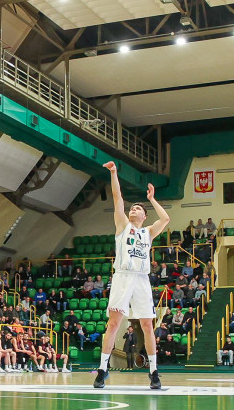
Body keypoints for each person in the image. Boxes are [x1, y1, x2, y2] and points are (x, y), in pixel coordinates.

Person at [93, 161, 170, 391]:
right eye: (132, 208)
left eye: (137, 209)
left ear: (144, 216)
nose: (132, 210)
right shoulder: (123, 226)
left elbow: (165, 219)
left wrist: (153, 199)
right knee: (114, 323)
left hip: (141, 279)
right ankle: (102, 369)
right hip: (123, 276)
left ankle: (154, 372)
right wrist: (114, 172)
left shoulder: (148, 232)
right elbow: (117, 197)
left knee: (147, 324)